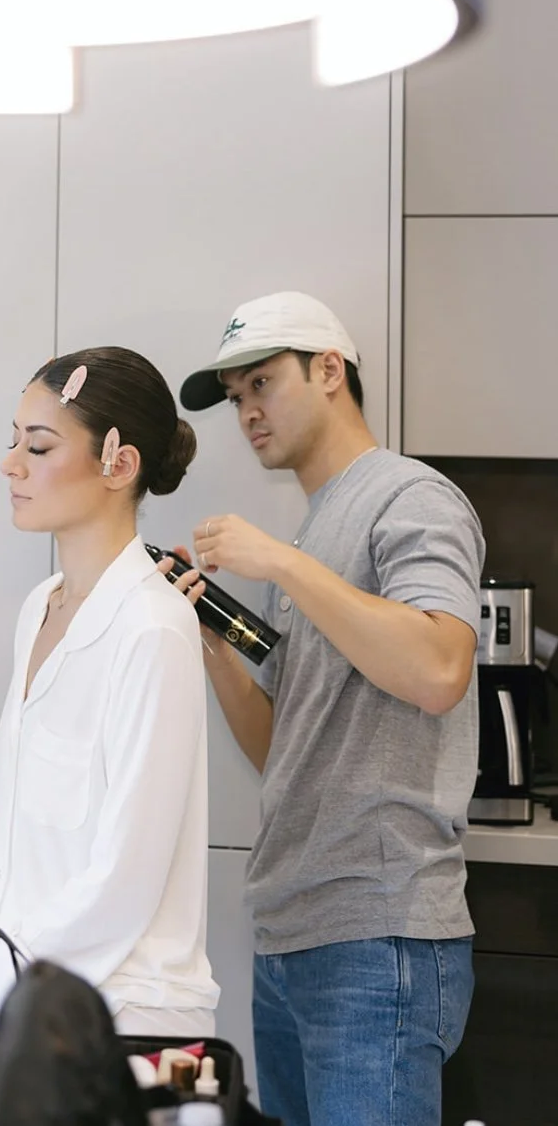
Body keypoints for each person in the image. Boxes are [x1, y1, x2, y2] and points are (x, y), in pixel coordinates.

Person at [176, 291, 483, 1126]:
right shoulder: (312, 535)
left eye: (260, 384)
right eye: (235, 397)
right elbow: (284, 746)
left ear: (327, 370)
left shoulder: (409, 497)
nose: (245, 411)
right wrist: (211, 637)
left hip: (375, 933)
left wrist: (276, 562)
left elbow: (438, 667)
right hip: (289, 934)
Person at [0, 346, 219, 1037]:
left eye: (39, 444)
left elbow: (122, 882)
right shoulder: (40, 607)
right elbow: (5, 856)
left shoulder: (152, 628)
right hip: (25, 988)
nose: (9, 463)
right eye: (13, 441)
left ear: (119, 462)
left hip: (122, 1008)